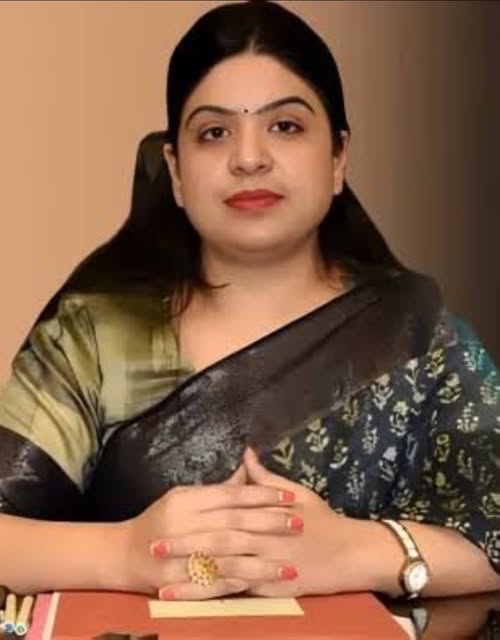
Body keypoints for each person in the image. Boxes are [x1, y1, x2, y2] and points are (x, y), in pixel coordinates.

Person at [0, 0, 498, 603]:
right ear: (175, 171)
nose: (249, 157)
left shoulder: (415, 335)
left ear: (338, 157)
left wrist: (357, 552)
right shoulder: (98, 338)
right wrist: (126, 553)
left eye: (285, 126)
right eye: (214, 133)